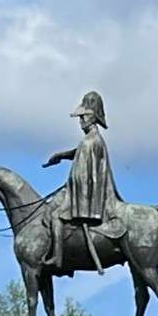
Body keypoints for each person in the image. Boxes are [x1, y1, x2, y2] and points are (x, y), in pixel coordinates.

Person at [45, 91, 118, 269]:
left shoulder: (90, 142)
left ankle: (58, 257)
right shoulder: (91, 140)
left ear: (92, 118)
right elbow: (78, 153)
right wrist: (62, 155)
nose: (80, 121)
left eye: (82, 117)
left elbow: (83, 175)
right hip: (82, 191)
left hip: (84, 196)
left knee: (55, 216)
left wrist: (70, 190)